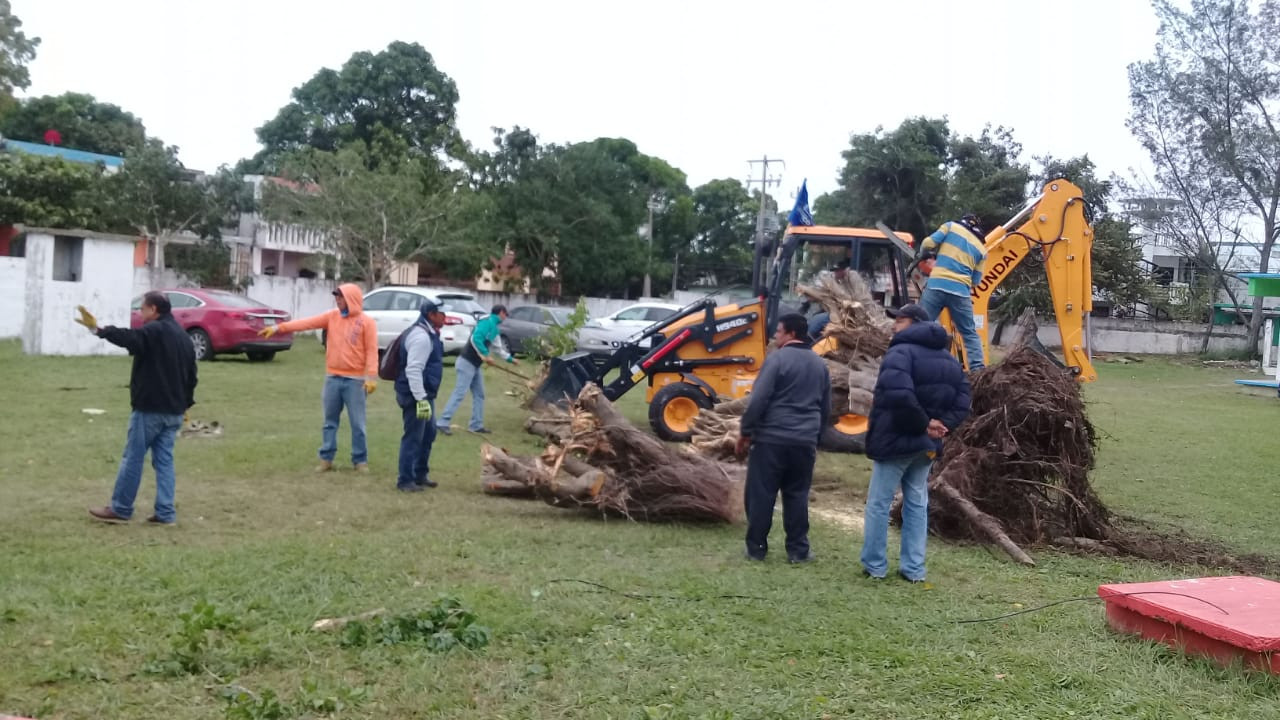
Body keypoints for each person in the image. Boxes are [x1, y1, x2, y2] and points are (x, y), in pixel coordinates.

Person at [860, 303, 971, 583]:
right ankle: (914, 568)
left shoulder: (900, 352)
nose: (894, 325)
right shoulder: (949, 359)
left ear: (912, 323)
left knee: (878, 503)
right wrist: (942, 425)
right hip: (927, 445)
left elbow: (898, 395)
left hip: (896, 440)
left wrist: (923, 422)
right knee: (917, 504)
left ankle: (875, 565)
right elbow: (963, 399)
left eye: (899, 320)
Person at [75, 293, 197, 525]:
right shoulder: (183, 337)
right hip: (174, 411)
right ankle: (165, 513)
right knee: (164, 461)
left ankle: (120, 508)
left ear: (153, 309)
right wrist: (185, 404)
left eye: (142, 309)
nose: (140, 314)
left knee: (133, 457)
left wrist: (99, 330)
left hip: (150, 408)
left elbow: (129, 338)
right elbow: (192, 376)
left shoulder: (154, 331)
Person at [736, 313, 832, 563]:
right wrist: (816, 437)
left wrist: (746, 431)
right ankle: (798, 551)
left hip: (771, 438)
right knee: (797, 495)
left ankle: (756, 548)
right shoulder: (820, 365)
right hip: (804, 441)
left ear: (790, 334)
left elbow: (758, 399)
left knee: (761, 494)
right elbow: (826, 408)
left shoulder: (776, 360)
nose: (775, 336)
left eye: (778, 331)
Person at [260, 284, 378, 471]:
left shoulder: (367, 322)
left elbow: (372, 351)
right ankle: (326, 458)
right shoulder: (332, 316)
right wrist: (279, 328)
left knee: (358, 424)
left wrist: (371, 377)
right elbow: (307, 323)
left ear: (351, 299)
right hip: (332, 378)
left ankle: (360, 460)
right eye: (336, 297)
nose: (337, 300)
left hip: (355, 381)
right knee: (329, 422)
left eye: (341, 297)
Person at [918, 213, 988, 370]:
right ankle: (978, 371)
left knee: (920, 325)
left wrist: (923, 255)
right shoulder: (982, 250)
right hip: (960, 293)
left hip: (936, 285)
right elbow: (976, 282)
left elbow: (928, 243)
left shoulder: (950, 227)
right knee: (969, 333)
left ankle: (914, 360)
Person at [436, 304, 520, 436]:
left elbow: (498, 349)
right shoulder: (486, 322)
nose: (506, 317)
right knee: (459, 393)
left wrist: (511, 359)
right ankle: (442, 422)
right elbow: (476, 339)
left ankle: (476, 425)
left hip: (475, 365)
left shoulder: (494, 329)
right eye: (506, 314)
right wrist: (485, 355)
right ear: (501, 313)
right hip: (466, 362)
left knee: (479, 394)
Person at [394, 300, 446, 493]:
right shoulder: (421, 337)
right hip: (415, 395)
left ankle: (420, 474)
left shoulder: (430, 333)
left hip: (424, 394)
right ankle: (405, 480)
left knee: (429, 433)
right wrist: (420, 399)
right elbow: (413, 370)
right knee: (413, 436)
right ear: (431, 315)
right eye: (441, 314)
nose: (445, 317)